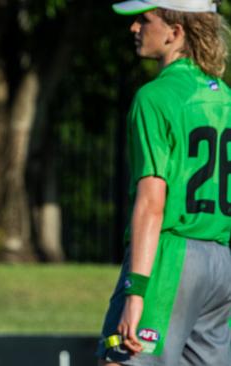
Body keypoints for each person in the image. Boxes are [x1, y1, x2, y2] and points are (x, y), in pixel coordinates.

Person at [96, 0, 231, 365]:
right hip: (221, 262)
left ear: (176, 31)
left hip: (171, 259)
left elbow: (152, 203)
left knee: (118, 360)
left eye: (145, 19)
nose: (134, 28)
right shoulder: (225, 97)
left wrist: (136, 292)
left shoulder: (155, 97)